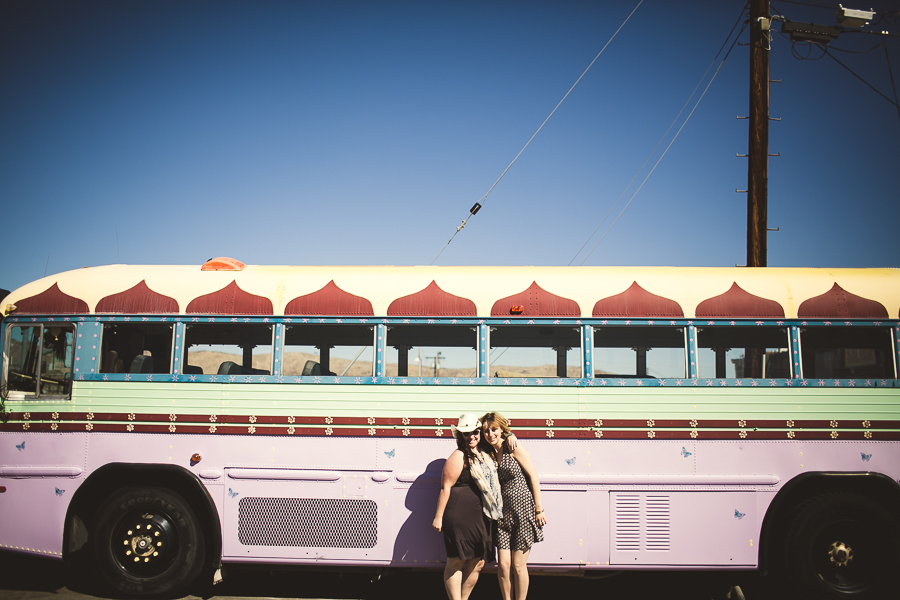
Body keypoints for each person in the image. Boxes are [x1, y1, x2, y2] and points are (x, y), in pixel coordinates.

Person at [432, 414, 503, 600]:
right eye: (466, 433)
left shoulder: (484, 453)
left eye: (475, 432)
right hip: (460, 516)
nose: (471, 436)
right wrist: (438, 517)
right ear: (459, 436)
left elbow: (502, 433)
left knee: (478, 562)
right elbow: (445, 487)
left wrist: (511, 436)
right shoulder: (459, 455)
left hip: (481, 517)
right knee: (456, 561)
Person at [481, 412, 546, 600]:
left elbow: (533, 475)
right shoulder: (490, 452)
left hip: (523, 511)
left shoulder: (513, 447)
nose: (490, 434)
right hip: (502, 514)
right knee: (503, 566)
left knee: (518, 566)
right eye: (486, 430)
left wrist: (539, 509)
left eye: (494, 429)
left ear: (502, 429)